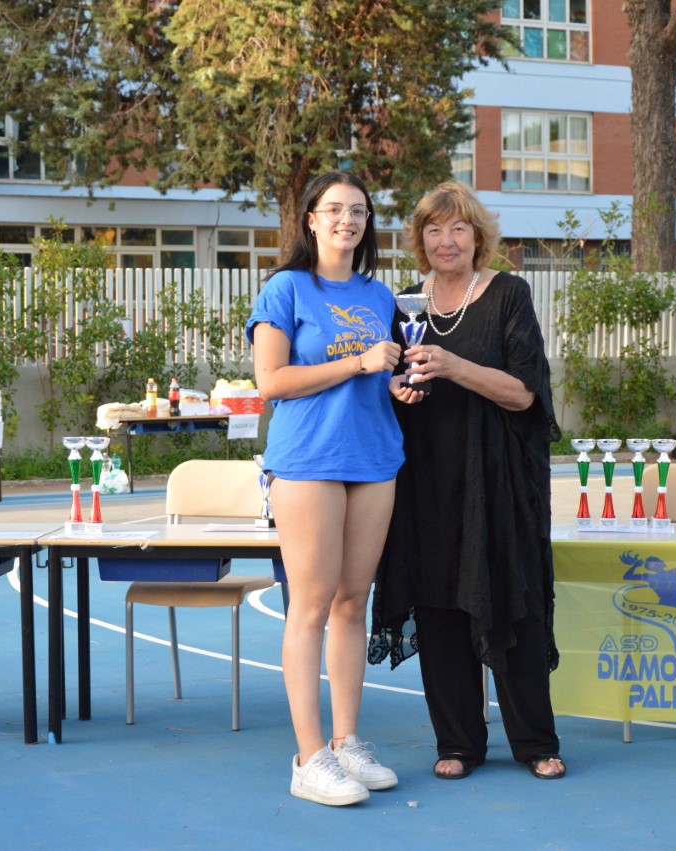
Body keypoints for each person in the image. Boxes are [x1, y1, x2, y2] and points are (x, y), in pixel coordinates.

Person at [369, 180, 565, 782]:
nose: (446, 240)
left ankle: (535, 742)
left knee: (514, 606)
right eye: (433, 229)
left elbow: (524, 394)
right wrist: (396, 389)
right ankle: (457, 742)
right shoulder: (404, 303)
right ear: (420, 240)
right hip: (427, 481)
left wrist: (454, 366)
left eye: (458, 228)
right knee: (438, 607)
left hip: (499, 481)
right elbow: (390, 383)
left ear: (478, 237)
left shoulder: (508, 294)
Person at [246, 171, 403, 806]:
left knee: (352, 602)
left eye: (358, 211)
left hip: (375, 457)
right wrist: (359, 362)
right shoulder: (285, 288)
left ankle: (346, 743)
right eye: (334, 209)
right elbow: (271, 381)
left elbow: (378, 378)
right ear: (310, 219)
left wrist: (398, 385)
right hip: (309, 458)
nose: (347, 220)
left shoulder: (379, 295)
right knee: (310, 605)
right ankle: (308, 758)